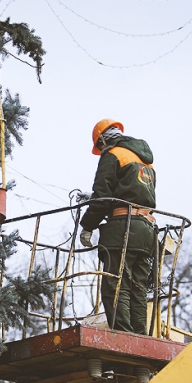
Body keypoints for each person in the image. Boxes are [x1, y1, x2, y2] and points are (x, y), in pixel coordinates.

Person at [79, 119, 157, 335]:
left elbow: (103, 196)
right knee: (138, 288)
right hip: (146, 230)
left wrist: (87, 225)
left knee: (116, 284)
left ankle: (123, 335)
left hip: (123, 229)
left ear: (103, 140)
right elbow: (133, 192)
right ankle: (141, 336)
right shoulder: (145, 161)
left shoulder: (112, 154)